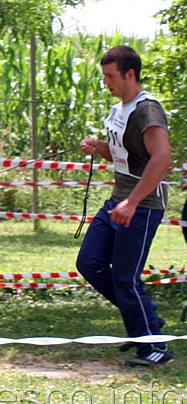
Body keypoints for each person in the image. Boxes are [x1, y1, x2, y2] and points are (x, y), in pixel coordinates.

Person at [77, 45, 174, 366]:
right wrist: (100, 146)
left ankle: (155, 347)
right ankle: (144, 323)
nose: (106, 82)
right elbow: (126, 156)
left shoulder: (147, 110)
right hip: (118, 201)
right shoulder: (121, 108)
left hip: (142, 205)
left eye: (111, 76)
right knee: (90, 262)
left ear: (130, 74)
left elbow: (162, 159)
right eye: (105, 76)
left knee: (125, 279)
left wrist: (132, 203)